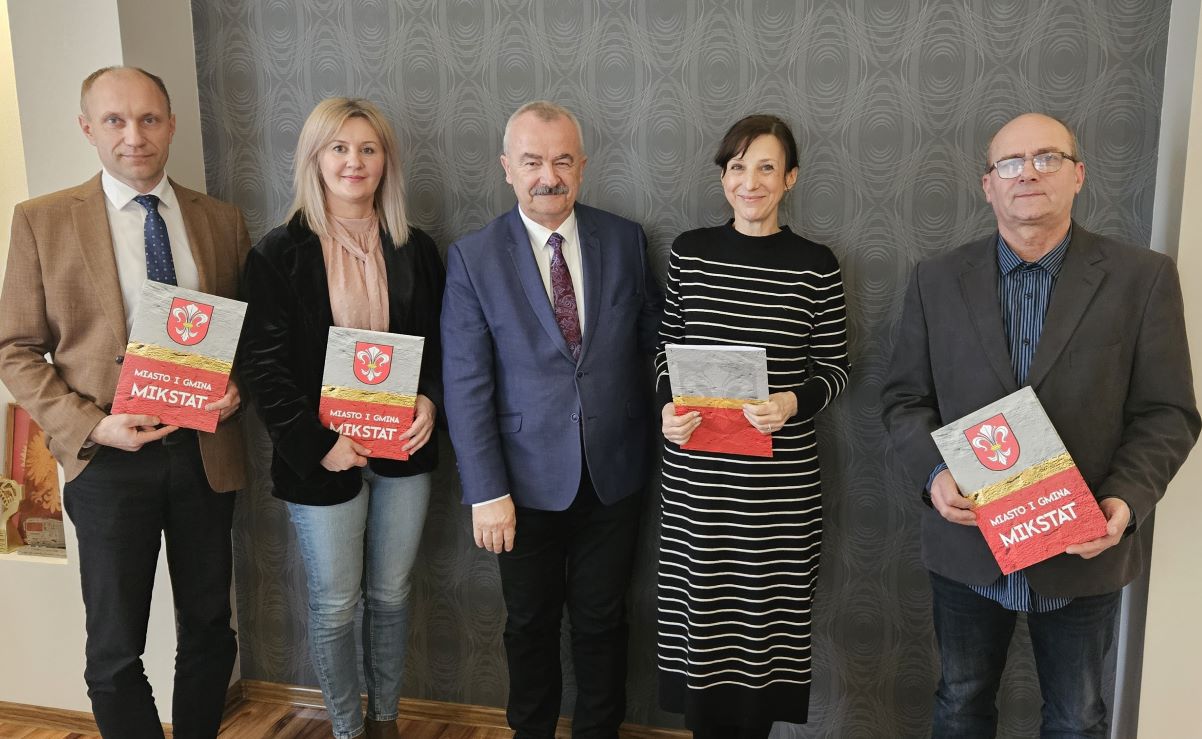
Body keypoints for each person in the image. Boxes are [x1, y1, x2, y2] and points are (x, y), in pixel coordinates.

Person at [881, 112, 1199, 737]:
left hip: (1084, 546)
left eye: (1047, 158)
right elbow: (902, 399)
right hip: (968, 544)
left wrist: (1125, 502)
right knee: (959, 703)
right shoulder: (937, 279)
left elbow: (1168, 411)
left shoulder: (1142, 279)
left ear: (1078, 175)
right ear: (987, 185)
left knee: (1078, 718)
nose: (1028, 173)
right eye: (1010, 163)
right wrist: (935, 474)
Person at [0, 66, 248, 738]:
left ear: (170, 124)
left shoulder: (220, 220)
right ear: (87, 128)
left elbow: (246, 336)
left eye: (147, 119)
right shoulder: (42, 220)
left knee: (209, 632)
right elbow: (15, 349)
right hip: (106, 463)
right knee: (113, 650)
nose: (133, 136)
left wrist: (236, 387)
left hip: (204, 456)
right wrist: (95, 425)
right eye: (114, 120)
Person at [441, 100, 663, 738]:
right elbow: (465, 382)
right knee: (530, 624)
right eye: (533, 161)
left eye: (562, 160)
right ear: (507, 168)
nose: (549, 175)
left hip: (614, 474)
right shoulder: (474, 258)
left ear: (583, 167)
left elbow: (651, 344)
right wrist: (487, 491)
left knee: (603, 621)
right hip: (520, 482)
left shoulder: (624, 239)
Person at [238, 97, 444, 739]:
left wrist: (430, 401)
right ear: (315, 158)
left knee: (390, 596)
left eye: (368, 149)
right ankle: (348, 730)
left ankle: (385, 721)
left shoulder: (416, 248)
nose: (354, 162)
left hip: (402, 451)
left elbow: (443, 346)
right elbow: (263, 368)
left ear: (386, 161)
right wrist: (318, 444)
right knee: (334, 606)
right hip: (321, 458)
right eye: (339, 148)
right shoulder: (279, 253)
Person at [656, 114, 850, 738]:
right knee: (703, 626)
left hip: (780, 493)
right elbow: (666, 350)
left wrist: (794, 402)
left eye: (766, 167)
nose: (750, 180)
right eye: (737, 167)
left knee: (766, 626)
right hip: (700, 485)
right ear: (724, 178)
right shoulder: (690, 251)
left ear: (790, 178)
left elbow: (838, 369)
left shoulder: (817, 265)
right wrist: (668, 408)